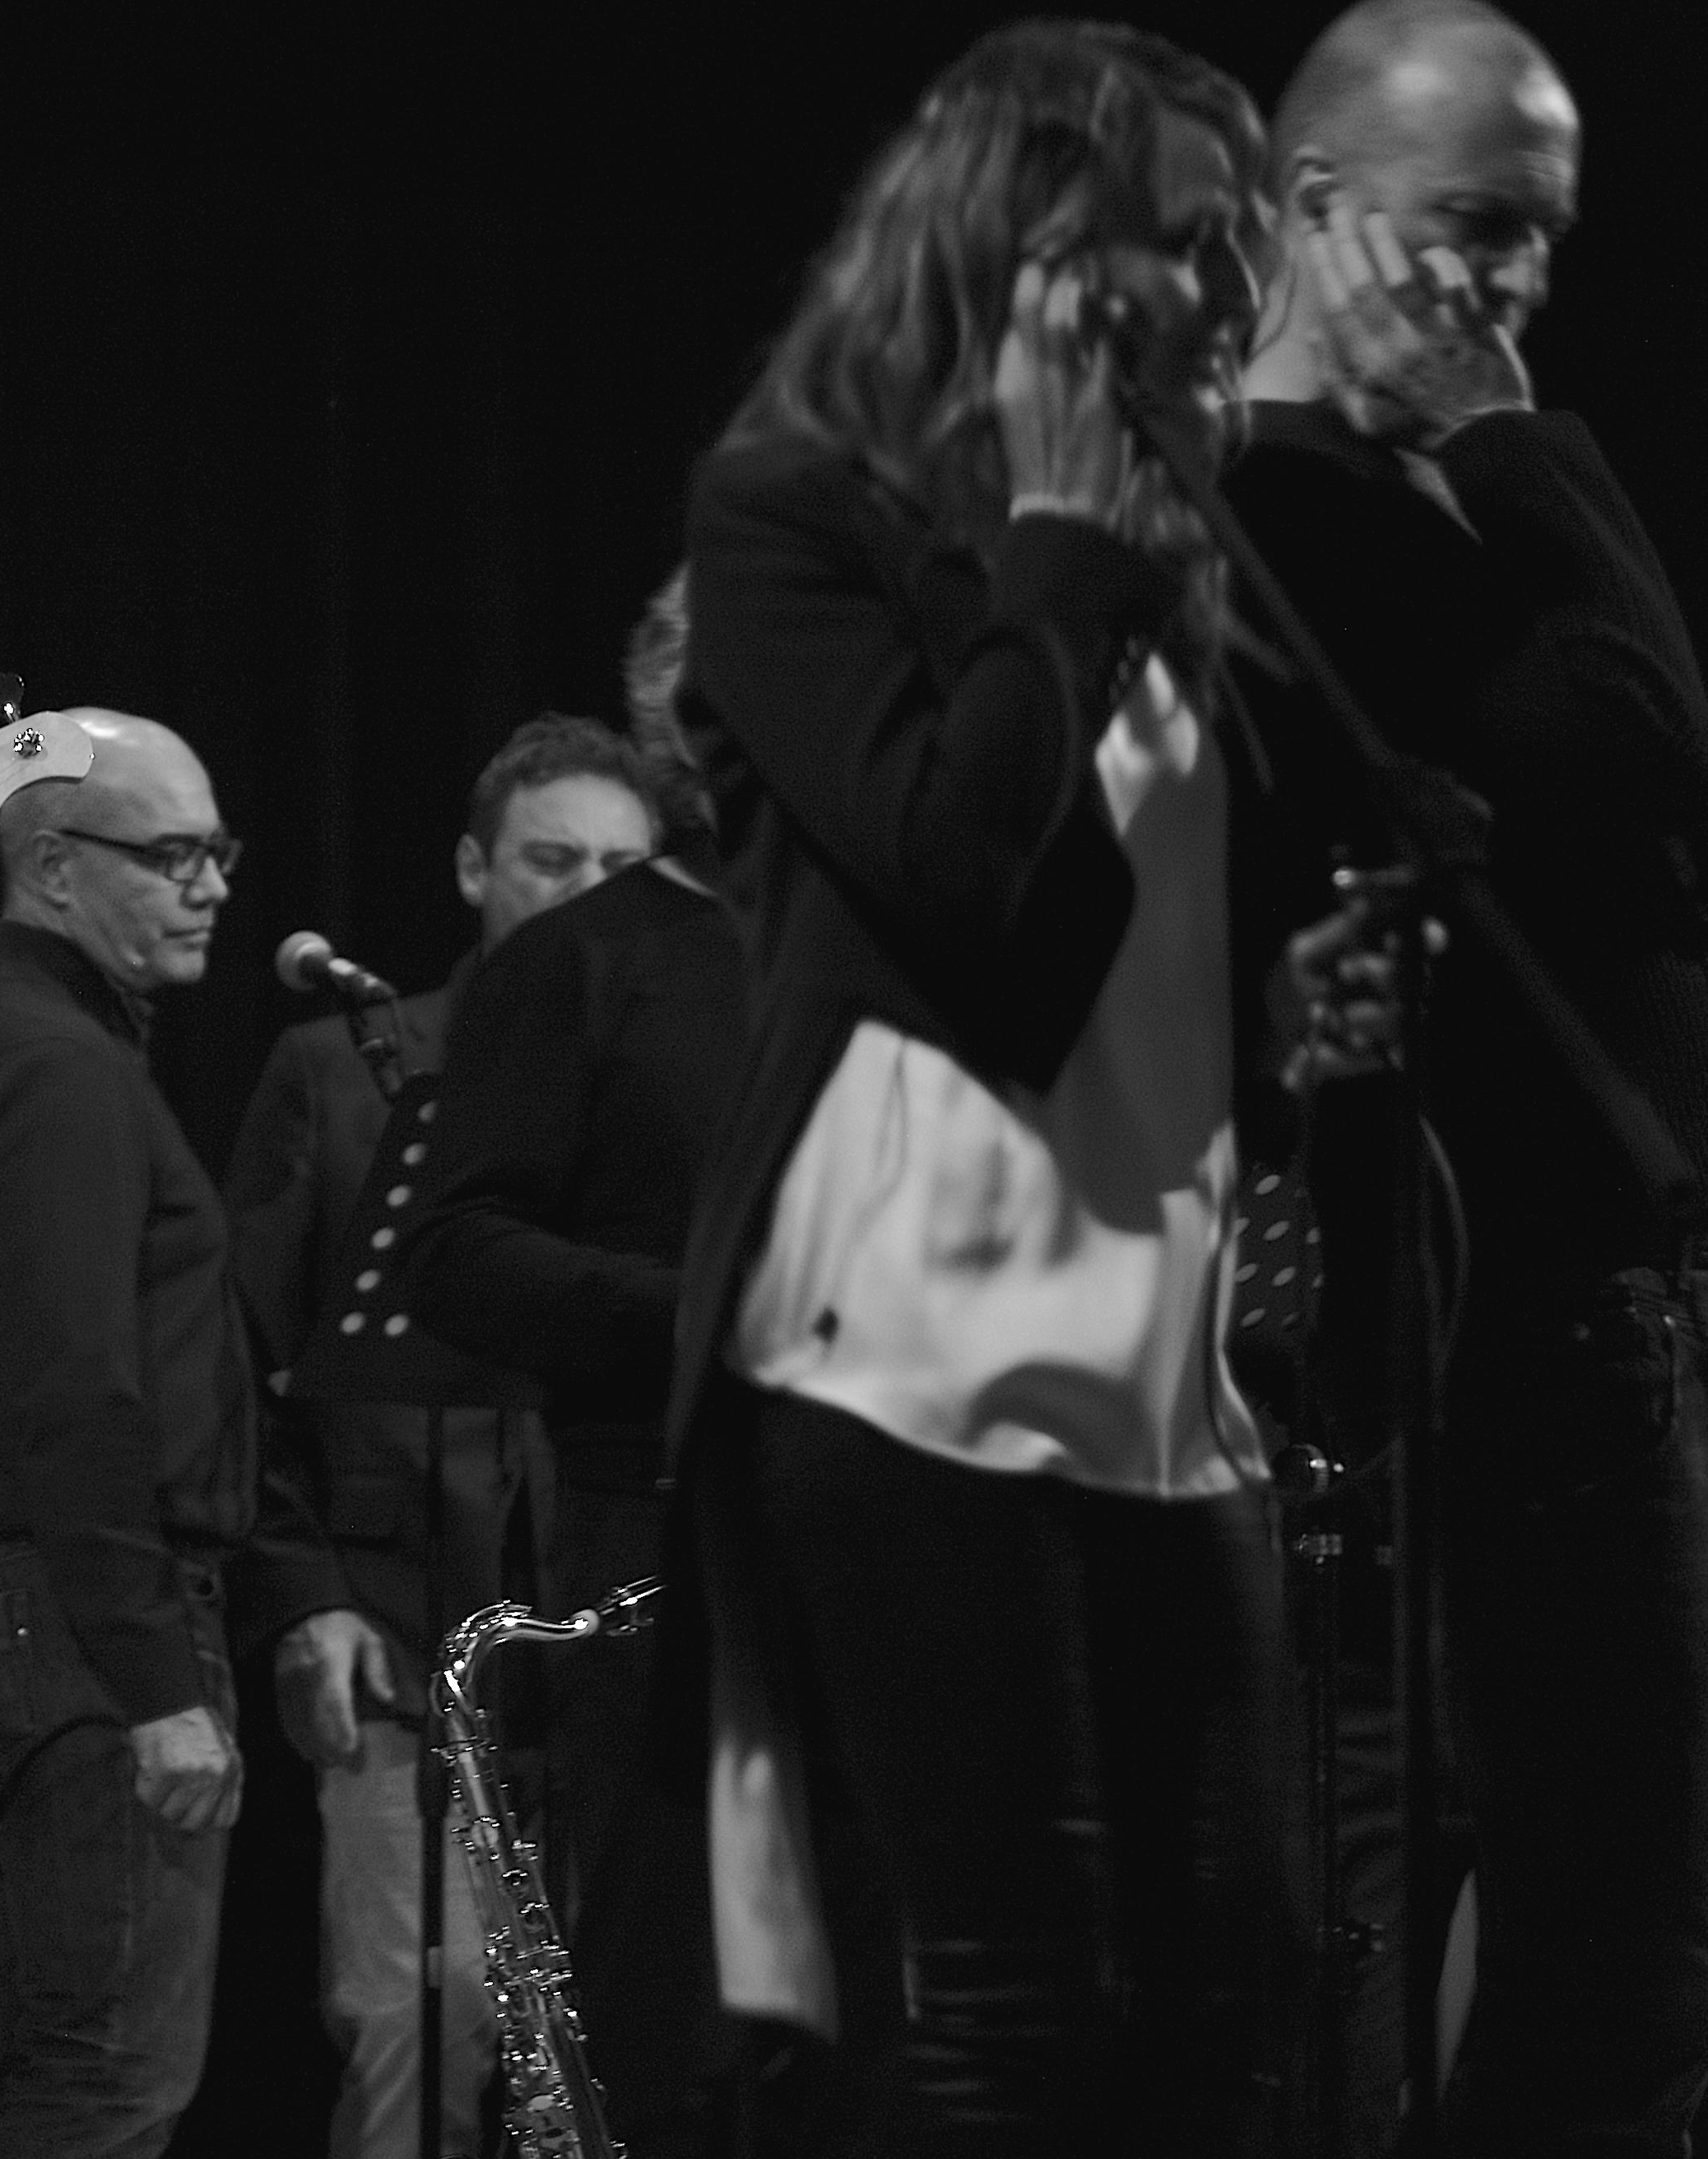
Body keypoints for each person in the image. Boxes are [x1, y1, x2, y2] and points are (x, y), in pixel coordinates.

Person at [666, 25, 1297, 2153]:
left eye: (1243, 243)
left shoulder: (1168, 552)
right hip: (916, 1344)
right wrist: (1051, 543)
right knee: (1013, 2015)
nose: (1230, 291)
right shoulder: (795, 518)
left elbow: (1159, 953)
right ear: (1031, 245)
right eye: (1186, 239)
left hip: (1159, 1356)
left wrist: (1302, 1010)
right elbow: (957, 867)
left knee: (1235, 2007)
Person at [1230, 6, 1708, 2147]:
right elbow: (1640, 742)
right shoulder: (1296, 510)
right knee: (1612, 1950)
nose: (1516, 281)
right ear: (1320, 206)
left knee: (1616, 1939)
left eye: (1548, 238)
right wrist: (1519, 443)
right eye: (1479, 221)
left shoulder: (1397, 504)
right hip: (1498, 1324)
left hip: (1566, 1317)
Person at [0, 707, 373, 2159]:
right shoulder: (55, 1065)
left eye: (219, 853)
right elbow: (82, 1393)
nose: (211, 888)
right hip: (72, 1627)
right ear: (53, 867)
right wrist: (158, 1685)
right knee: (105, 2085)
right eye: (171, 856)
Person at [223, 709, 665, 2159]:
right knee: (425, 2019)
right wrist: (304, 1597)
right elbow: (242, 1359)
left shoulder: (667, 1080)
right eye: (553, 861)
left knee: (618, 2046)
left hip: (609, 1634)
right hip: (402, 1635)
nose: (588, 896)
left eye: (621, 869)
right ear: (476, 870)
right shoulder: (344, 1067)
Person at [393, 592, 757, 2158]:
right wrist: (714, 1311)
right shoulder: (579, 964)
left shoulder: (872, 950)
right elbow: (456, 1251)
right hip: (665, 1543)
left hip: (891, 1530)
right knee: (680, 2015)